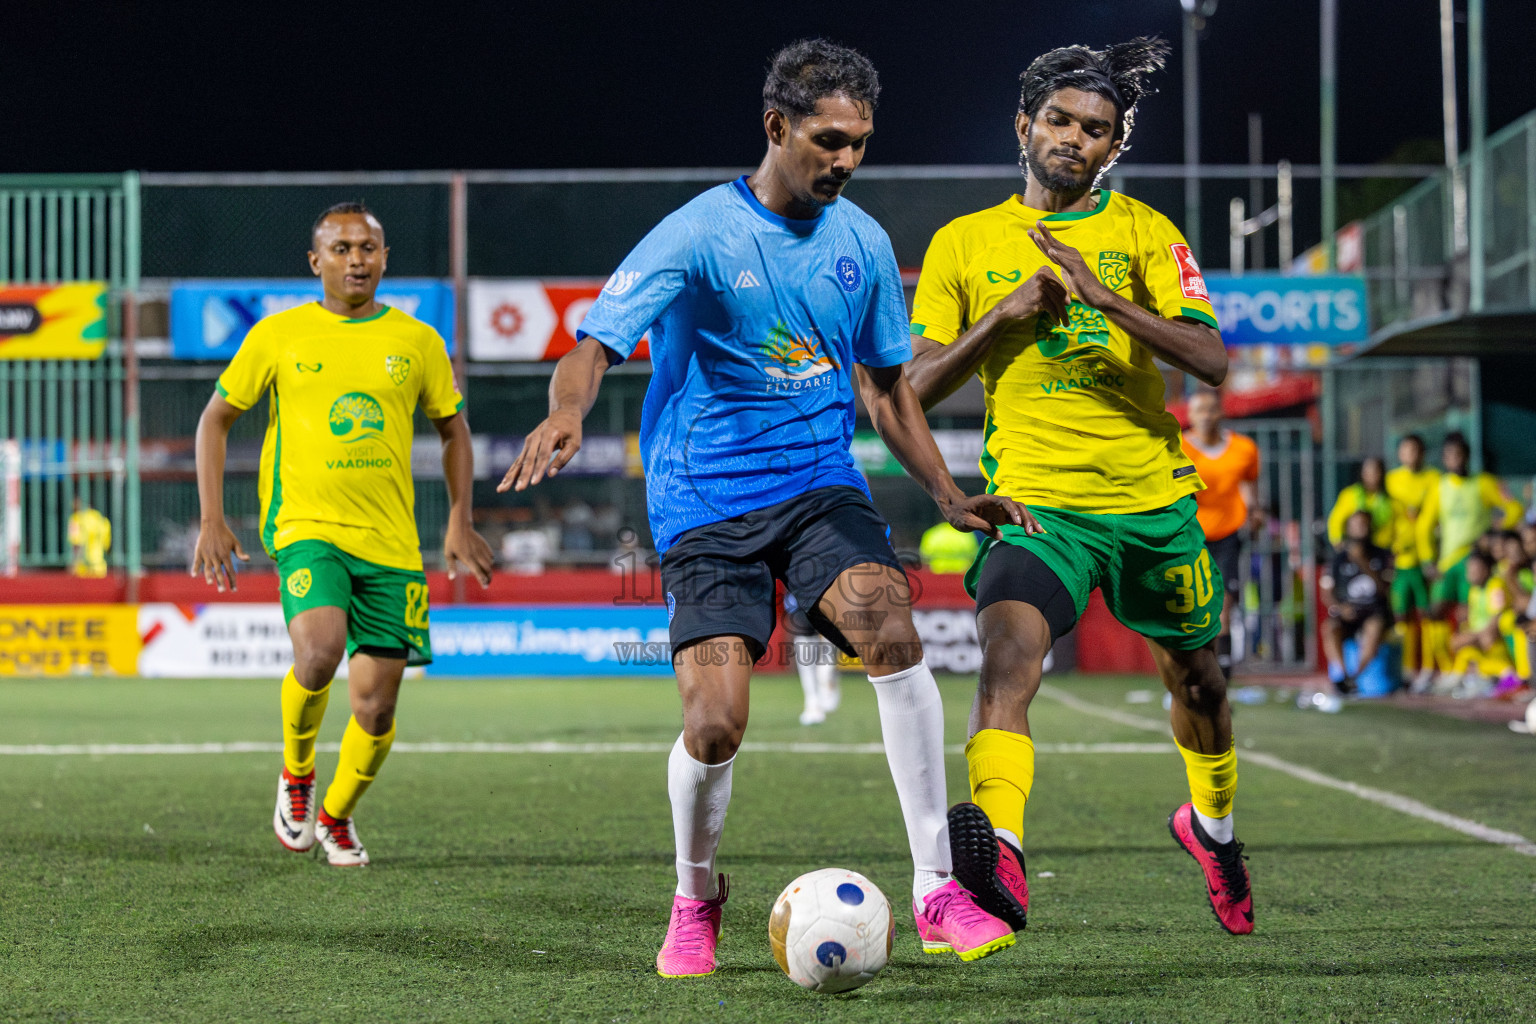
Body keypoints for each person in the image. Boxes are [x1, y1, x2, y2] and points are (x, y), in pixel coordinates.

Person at [499, 39, 1030, 976]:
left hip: (819, 488)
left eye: (860, 142)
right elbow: (592, 345)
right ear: (778, 127)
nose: (847, 160)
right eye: (829, 140)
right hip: (704, 504)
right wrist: (567, 412)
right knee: (714, 725)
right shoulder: (697, 234)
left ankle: (937, 888)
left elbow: (886, 388)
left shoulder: (863, 243)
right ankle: (695, 895)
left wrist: (948, 494)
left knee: (889, 628)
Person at [905, 37, 1254, 937]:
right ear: (1024, 125)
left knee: (1200, 686)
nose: (1074, 138)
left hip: (1150, 504)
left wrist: (1104, 298)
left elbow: (1212, 359)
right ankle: (1002, 854)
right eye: (1059, 120)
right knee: (1006, 660)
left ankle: (1213, 831)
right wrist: (1004, 313)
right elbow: (912, 386)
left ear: (1115, 145)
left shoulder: (1147, 233)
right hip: (1037, 506)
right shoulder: (962, 243)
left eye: (1096, 129)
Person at [191, 203, 495, 867]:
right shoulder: (278, 335)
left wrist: (460, 516)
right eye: (341, 248)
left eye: (367, 247)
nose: (356, 259)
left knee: (376, 709)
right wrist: (212, 517)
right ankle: (297, 774)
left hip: (390, 545)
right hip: (306, 528)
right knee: (319, 650)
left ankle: (335, 816)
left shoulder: (417, 341)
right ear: (316, 261)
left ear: (385, 258)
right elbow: (215, 418)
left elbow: (453, 429)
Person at [1417, 432, 1523, 682]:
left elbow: (1514, 508)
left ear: (1466, 456)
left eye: (1459, 454)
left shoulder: (1483, 483)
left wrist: (1495, 533)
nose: (1455, 459)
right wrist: (1428, 559)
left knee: (1469, 614)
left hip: (1475, 559)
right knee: (1435, 611)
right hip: (1447, 561)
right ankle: (1440, 669)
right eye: (1449, 455)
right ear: (1444, 459)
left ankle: (1473, 671)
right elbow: (1423, 526)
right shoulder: (1439, 486)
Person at [1181, 389, 1260, 680]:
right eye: (1199, 410)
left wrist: (1254, 512)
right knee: (1192, 600)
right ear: (1190, 415)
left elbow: (1249, 485)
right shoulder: (1178, 448)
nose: (1205, 416)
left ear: (1221, 412)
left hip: (1229, 531)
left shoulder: (1244, 448)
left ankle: (1222, 667)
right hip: (1191, 532)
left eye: (1210, 409)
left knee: (1224, 599)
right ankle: (1191, 664)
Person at [1384, 435, 1440, 686]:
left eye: (1416, 450)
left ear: (1423, 453)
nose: (1411, 455)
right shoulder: (1391, 481)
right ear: (1400, 454)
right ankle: (1405, 668)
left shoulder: (1434, 478)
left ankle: (1428, 668)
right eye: (1406, 450)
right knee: (1401, 616)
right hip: (1400, 560)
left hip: (1428, 559)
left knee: (1428, 614)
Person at [1320, 510, 1394, 694]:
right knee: (1330, 628)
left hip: (1374, 611)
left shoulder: (1382, 555)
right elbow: (1326, 593)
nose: (1361, 529)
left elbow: (1385, 589)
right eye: (1357, 525)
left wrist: (1363, 562)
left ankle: (1356, 677)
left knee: (1374, 628)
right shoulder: (1337, 559)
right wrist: (1340, 608)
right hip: (1348, 611)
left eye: (1364, 524)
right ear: (1348, 529)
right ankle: (1344, 676)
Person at [783, 592, 839, 726]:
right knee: (805, 646)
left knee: (832, 639)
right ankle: (812, 703)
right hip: (801, 595)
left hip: (829, 594)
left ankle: (827, 679)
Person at [1327, 457, 1395, 550]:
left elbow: (1396, 525)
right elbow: (1336, 519)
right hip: (1357, 549)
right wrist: (1337, 541)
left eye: (1375, 472)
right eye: (1367, 472)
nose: (1371, 476)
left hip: (1382, 549)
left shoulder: (1389, 499)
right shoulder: (1350, 494)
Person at [66, 497, 111, 578]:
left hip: (82, 568)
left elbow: (76, 544)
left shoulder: (76, 518)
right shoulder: (102, 520)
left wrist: (73, 565)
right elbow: (107, 546)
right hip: (99, 567)